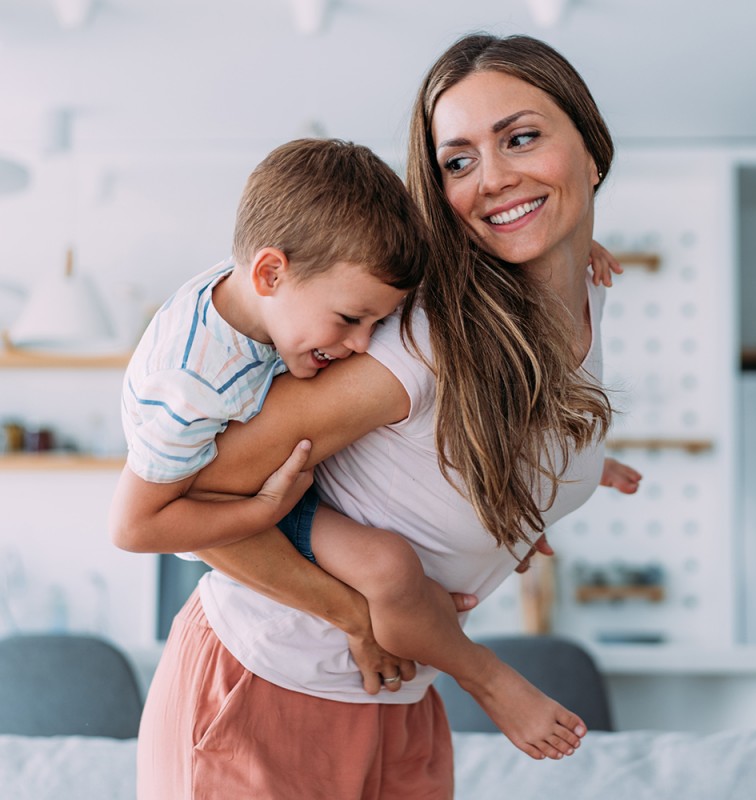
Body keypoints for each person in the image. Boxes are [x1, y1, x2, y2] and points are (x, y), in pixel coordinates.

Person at [133, 32, 638, 800]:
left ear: (591, 149)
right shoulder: (415, 342)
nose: (495, 178)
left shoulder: (583, 298)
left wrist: (532, 504)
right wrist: (353, 613)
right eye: (458, 162)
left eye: (523, 138)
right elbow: (189, 496)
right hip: (269, 681)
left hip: (399, 697)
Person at [110, 135, 623, 698]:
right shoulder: (191, 390)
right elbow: (135, 527)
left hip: (343, 628)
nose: (360, 344)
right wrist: (264, 509)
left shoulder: (277, 284)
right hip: (229, 534)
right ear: (270, 274)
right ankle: (484, 680)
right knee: (388, 569)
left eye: (376, 324)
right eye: (351, 319)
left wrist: (573, 242)